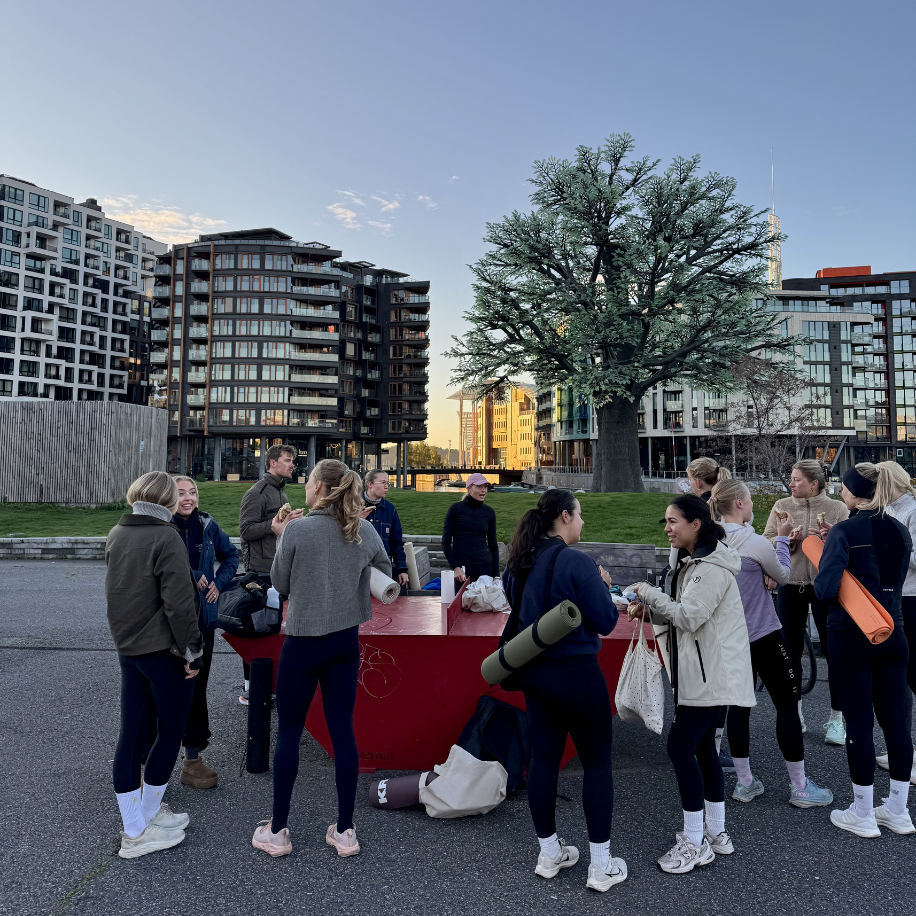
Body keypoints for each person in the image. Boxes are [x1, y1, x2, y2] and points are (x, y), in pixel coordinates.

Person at [251, 459, 391, 859]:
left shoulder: (297, 529)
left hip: (303, 640)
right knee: (343, 731)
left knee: (289, 733)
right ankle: (345, 830)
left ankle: (278, 830)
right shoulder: (362, 529)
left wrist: (281, 536)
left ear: (319, 488)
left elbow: (280, 583)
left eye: (309, 480)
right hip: (345, 641)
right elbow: (385, 570)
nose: (305, 485)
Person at [502, 489, 624, 892]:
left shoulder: (519, 561)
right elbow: (606, 621)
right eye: (580, 514)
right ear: (566, 516)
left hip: (535, 674)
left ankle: (549, 852)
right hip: (577, 674)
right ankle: (601, 865)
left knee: (543, 760)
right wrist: (603, 586)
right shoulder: (577, 562)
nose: (583, 522)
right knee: (597, 763)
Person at [630, 495, 755, 874]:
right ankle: (715, 832)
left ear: (696, 524)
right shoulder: (698, 561)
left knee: (680, 747)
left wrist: (647, 592)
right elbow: (691, 616)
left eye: (673, 521)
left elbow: (689, 616)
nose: (667, 528)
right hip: (707, 672)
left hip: (707, 675)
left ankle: (694, 840)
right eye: (665, 522)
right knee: (702, 750)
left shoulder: (709, 566)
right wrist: (651, 611)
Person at [710, 479, 833, 808]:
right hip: (763, 633)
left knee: (739, 707)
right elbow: (782, 575)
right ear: (739, 503)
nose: (751, 505)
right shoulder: (752, 541)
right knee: (787, 705)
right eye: (749, 499)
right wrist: (781, 539)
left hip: (728, 638)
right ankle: (800, 787)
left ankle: (744, 782)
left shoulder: (709, 540)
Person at [814, 463, 915, 837]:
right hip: (893, 631)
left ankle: (862, 813)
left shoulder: (844, 530)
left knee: (858, 722)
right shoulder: (900, 529)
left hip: (851, 635)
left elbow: (825, 589)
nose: (840, 491)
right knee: (896, 723)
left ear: (855, 493)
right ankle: (898, 811)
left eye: (843, 487)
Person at [106, 471, 202, 859]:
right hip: (163, 650)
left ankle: (143, 817)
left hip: (129, 647)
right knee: (170, 731)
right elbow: (180, 604)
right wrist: (192, 649)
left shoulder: (117, 532)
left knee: (132, 734)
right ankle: (136, 830)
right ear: (167, 500)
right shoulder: (166, 536)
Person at [763, 459, 849, 743]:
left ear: (814, 483)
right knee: (790, 651)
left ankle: (836, 719)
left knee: (834, 651)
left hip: (827, 588)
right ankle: (795, 712)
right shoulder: (782, 506)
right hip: (791, 585)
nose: (791, 483)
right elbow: (766, 540)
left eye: (796, 479)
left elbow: (849, 549)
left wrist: (829, 538)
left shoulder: (838, 509)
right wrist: (786, 540)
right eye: (791, 478)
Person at [172, 476, 239, 789]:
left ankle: (192, 760)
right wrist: (194, 574)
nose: (188, 498)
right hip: (170, 623)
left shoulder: (207, 525)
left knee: (196, 691)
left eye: (192, 492)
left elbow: (232, 556)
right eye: (180, 493)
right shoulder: (163, 528)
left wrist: (218, 583)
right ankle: (148, 765)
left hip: (203, 623)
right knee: (163, 692)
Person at [237, 443, 304, 705]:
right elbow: (245, 531)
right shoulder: (257, 492)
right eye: (287, 460)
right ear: (272, 463)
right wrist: (274, 526)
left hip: (278, 567)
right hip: (260, 572)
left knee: (274, 630)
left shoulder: (281, 491)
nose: (292, 465)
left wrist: (290, 522)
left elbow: (279, 527)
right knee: (258, 631)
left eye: (292, 461)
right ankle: (249, 689)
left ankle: (270, 685)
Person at [684, 458, 734, 770]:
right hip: (722, 605)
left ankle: (697, 744)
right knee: (719, 679)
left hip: (697, 600)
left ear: (698, 481)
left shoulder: (696, 511)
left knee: (698, 675)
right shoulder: (724, 505)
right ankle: (714, 745)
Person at [878, 461, 916, 783]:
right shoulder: (887, 511)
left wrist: (889, 545)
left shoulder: (912, 511)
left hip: (912, 599)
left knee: (911, 675)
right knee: (898, 677)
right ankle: (902, 749)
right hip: (893, 598)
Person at [442, 473, 499, 587]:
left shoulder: (489, 512)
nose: (483, 490)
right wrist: (455, 567)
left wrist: (496, 574)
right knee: (462, 599)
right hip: (463, 571)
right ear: (469, 488)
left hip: (485, 568)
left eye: (485, 487)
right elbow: (446, 542)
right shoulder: (455, 509)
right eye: (479, 486)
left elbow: (493, 544)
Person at [360, 469, 409, 587]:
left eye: (387, 483)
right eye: (382, 483)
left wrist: (402, 568)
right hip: (359, 569)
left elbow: (396, 541)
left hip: (382, 570)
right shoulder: (353, 505)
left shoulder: (390, 509)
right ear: (369, 484)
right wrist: (357, 520)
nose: (386, 487)